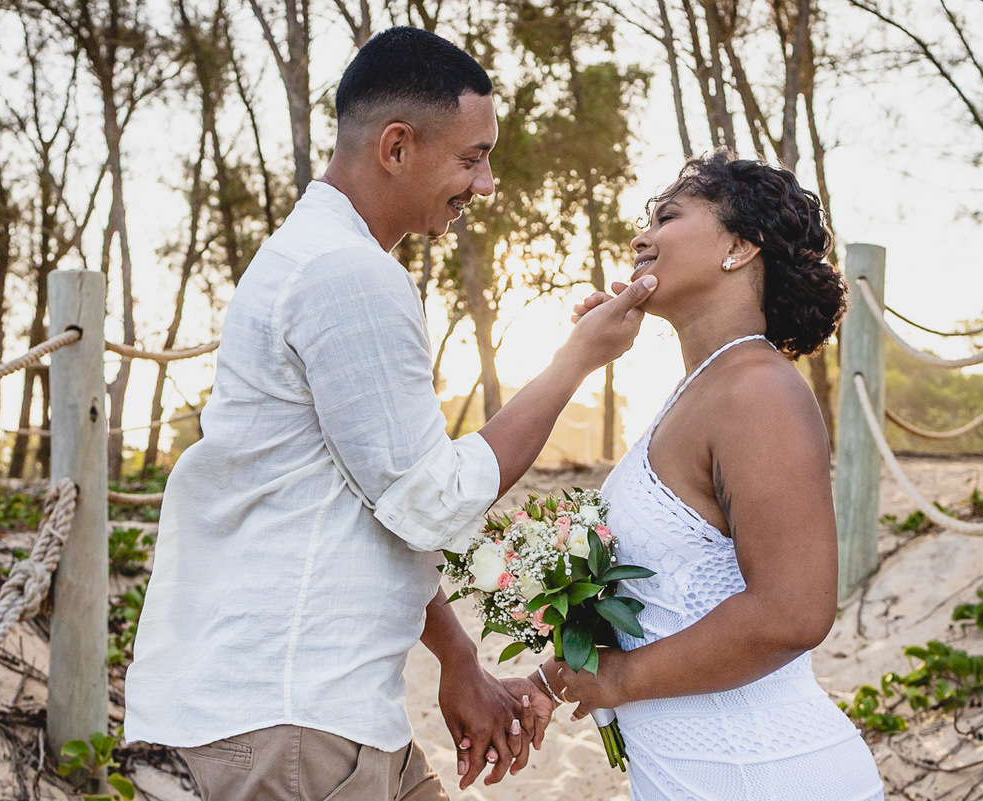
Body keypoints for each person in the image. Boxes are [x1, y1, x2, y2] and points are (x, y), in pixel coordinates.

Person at [124, 26, 657, 801]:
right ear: (397, 147)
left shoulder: (316, 256)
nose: (485, 184)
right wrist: (577, 358)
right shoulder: (347, 274)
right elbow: (432, 498)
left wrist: (458, 656)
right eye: (473, 157)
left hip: (324, 710)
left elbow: (372, 500)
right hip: (290, 719)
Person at [542, 152, 885, 800]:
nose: (641, 237)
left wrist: (621, 680)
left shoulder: (757, 391)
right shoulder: (698, 391)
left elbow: (793, 612)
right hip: (699, 775)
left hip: (766, 774)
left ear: (738, 247)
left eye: (667, 217)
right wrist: (549, 678)